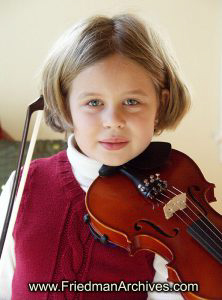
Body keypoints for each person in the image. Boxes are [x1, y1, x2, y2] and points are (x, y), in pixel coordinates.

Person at [0, 14, 190, 299]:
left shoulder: (171, 203)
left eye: (131, 101)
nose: (113, 120)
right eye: (94, 102)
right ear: (65, 105)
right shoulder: (24, 183)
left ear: (160, 104)